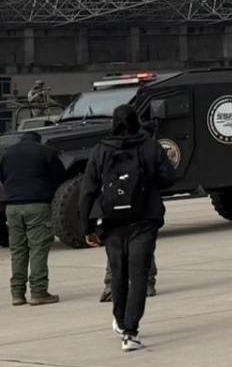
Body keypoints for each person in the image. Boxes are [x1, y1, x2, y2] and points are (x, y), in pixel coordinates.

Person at [78, 105, 176, 350]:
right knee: (139, 275)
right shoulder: (151, 146)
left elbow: (88, 190)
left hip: (112, 222)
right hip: (144, 219)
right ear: (136, 122)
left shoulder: (101, 149)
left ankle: (120, 322)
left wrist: (86, 228)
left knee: (118, 273)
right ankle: (130, 332)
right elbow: (168, 178)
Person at [1, 119, 67, 305]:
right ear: (38, 140)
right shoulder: (45, 151)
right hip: (37, 205)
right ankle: (38, 292)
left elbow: (3, 177)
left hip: (12, 207)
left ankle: (17, 294)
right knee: (38, 249)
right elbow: (60, 176)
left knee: (18, 250)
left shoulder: (8, 153)